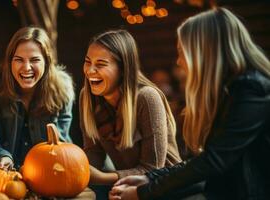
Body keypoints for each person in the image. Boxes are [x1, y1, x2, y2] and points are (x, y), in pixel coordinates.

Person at [109, 7, 270, 200]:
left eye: (182, 52)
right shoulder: (232, 90)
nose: (178, 62)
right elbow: (202, 162)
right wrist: (149, 179)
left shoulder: (251, 89)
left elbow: (213, 161)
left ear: (204, 52)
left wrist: (143, 192)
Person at [79, 29, 182, 198]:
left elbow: (153, 169)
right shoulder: (88, 97)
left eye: (100, 64)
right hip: (128, 191)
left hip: (167, 190)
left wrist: (103, 177)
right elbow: (94, 153)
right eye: (87, 62)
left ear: (123, 68)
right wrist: (75, 170)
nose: (90, 71)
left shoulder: (147, 97)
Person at [0, 26, 74, 169]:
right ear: (10, 62)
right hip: (7, 174)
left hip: (50, 171)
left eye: (35, 60)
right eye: (19, 60)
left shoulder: (62, 91)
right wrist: (3, 156)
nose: (26, 67)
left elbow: (61, 143)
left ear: (47, 62)